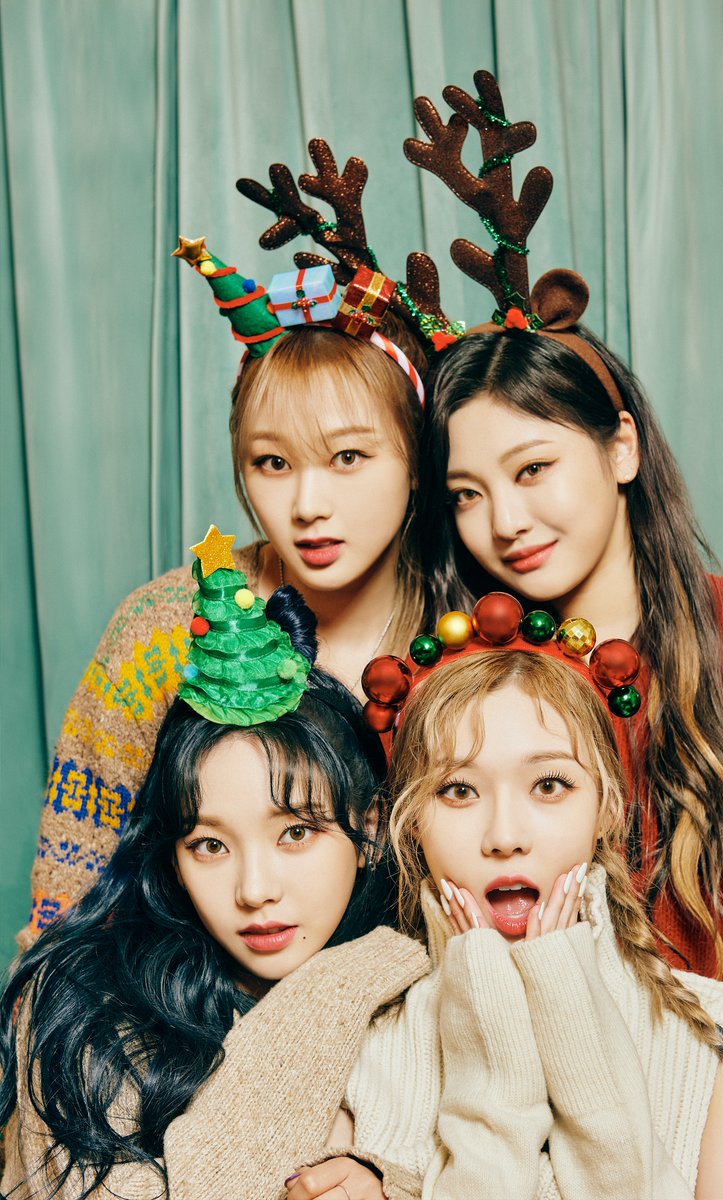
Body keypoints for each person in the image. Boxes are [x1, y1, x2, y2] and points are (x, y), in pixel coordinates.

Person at [407, 69, 723, 1082]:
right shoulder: (462, 687)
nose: (504, 523)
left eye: (533, 469)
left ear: (620, 447)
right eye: (465, 494)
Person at [18, 135, 456, 950]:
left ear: (416, 464)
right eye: (272, 463)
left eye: (348, 457)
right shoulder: (163, 628)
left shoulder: (468, 626)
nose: (307, 505)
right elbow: (67, 903)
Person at [287, 621, 723, 1200]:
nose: (505, 837)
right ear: (410, 825)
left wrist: (569, 1008)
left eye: (550, 785)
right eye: (459, 790)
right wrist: (492, 1035)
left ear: (607, 808)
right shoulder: (346, 1041)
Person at [0, 539, 427, 1200]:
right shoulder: (85, 1013)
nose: (254, 891)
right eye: (209, 845)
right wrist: (340, 983)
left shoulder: (426, 999)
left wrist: (387, 1184)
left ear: (369, 830)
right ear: (171, 854)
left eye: (295, 833)